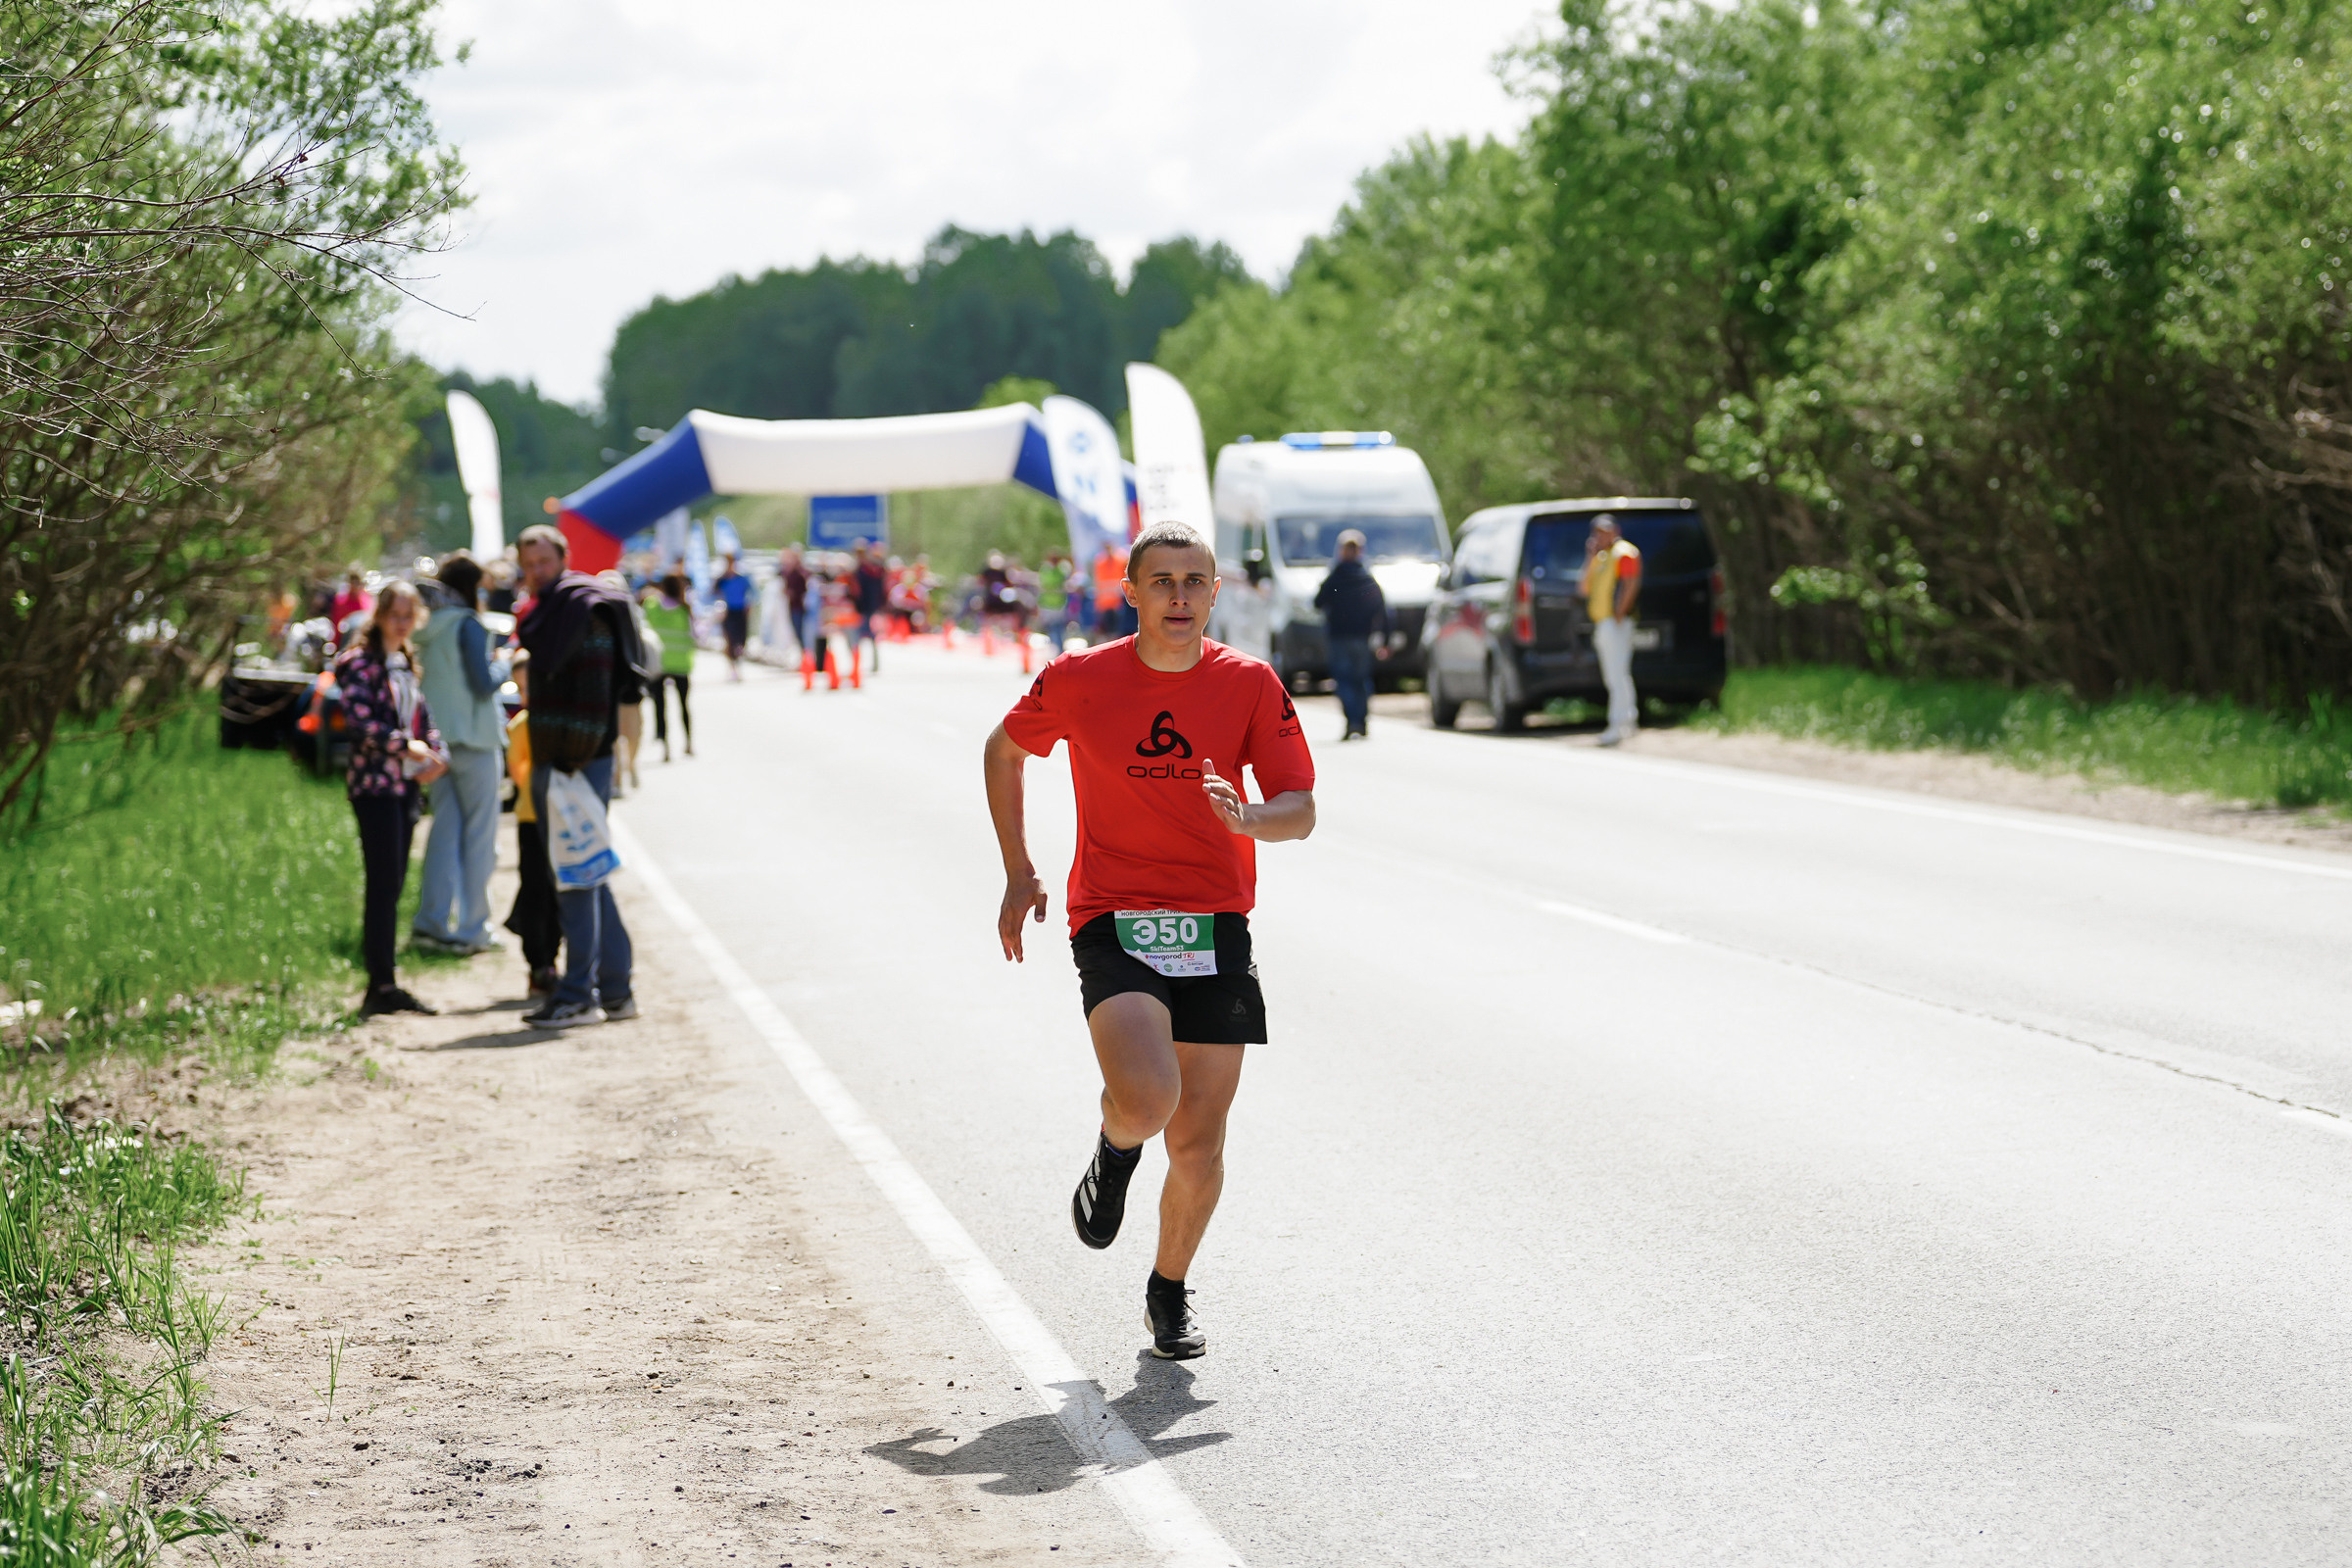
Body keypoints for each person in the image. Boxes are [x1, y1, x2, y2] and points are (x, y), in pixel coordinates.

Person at [983, 522, 1317, 1361]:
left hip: (1215, 923)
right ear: (1129, 592)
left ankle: (1168, 1291)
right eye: (1160, 580)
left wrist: (1250, 819)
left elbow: (1299, 807)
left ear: (1214, 592)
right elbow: (1003, 749)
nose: (1178, 595)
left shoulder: (1249, 684)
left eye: (1193, 581)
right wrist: (1019, 870)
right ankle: (1115, 1145)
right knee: (1147, 1100)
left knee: (1200, 1143)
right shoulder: (1080, 677)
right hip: (1114, 915)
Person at [515, 523, 644, 1028]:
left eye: (543, 562)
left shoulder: (581, 611)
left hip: (574, 763)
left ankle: (577, 996)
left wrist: (568, 764)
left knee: (575, 878)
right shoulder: (553, 611)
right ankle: (615, 990)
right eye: (528, 565)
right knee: (589, 874)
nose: (535, 573)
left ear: (562, 559)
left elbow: (595, 696)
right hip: (562, 762)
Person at [334, 580, 447, 1017]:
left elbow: (423, 716)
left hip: (405, 787)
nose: (401, 623)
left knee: (396, 882)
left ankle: (386, 979)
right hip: (375, 788)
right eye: (394, 615)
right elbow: (360, 724)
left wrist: (437, 752)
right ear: (379, 616)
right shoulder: (359, 663)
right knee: (382, 885)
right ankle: (380, 983)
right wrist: (406, 746)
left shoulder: (405, 660)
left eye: (408, 616)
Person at [411, 553, 511, 956]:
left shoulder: (427, 627)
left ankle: (431, 922)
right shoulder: (468, 625)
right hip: (476, 740)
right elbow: (484, 684)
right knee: (480, 837)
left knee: (444, 833)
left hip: (440, 745)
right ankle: (473, 927)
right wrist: (504, 665)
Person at [503, 657, 562, 997]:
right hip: (530, 818)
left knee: (555, 895)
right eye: (520, 688)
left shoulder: (554, 722)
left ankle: (550, 960)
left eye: (532, 687)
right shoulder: (521, 726)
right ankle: (538, 965)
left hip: (557, 818)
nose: (527, 695)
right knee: (536, 891)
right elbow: (518, 772)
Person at [1313, 529, 1391, 742]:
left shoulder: (1335, 577)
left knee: (1345, 681)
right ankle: (1361, 721)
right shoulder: (1366, 578)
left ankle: (1352, 722)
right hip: (1361, 638)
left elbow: (1317, 603)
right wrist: (1385, 637)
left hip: (1339, 637)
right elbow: (1382, 609)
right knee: (1360, 680)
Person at [1580, 514, 1643, 745]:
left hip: (1615, 622)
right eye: (1596, 532)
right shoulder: (1601, 557)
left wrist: (1619, 614)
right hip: (1603, 622)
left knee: (1617, 674)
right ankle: (1626, 720)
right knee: (1614, 674)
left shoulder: (1624, 552)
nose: (1600, 536)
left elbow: (1630, 583)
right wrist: (1590, 557)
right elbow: (1583, 588)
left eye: (1604, 531)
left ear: (1614, 530)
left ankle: (1619, 724)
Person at [598, 568, 653, 793]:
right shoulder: (596, 615)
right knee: (614, 736)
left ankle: (631, 765)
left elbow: (640, 650)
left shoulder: (634, 614)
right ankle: (618, 777)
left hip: (630, 686)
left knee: (633, 733)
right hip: (608, 687)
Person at [640, 572, 696, 759]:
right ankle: (688, 742)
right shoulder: (685, 609)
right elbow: (694, 635)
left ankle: (665, 747)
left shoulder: (651, 605)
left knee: (660, 706)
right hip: (681, 664)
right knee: (683, 705)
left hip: (658, 664)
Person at [851, 541, 889, 673]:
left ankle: (872, 663)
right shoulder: (858, 569)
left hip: (870, 607)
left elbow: (877, 588)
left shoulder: (871, 569)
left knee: (871, 636)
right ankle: (857, 664)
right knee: (857, 637)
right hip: (859, 607)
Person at [713, 552, 752, 680]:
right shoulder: (722, 580)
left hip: (740, 612)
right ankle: (732, 668)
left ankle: (738, 663)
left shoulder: (742, 579)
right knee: (729, 640)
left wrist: (749, 605)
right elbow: (713, 594)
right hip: (728, 612)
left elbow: (752, 593)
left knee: (740, 640)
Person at [1038, 549, 1075, 653]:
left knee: (1059, 628)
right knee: (1051, 629)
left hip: (1059, 605)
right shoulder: (1046, 570)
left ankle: (1059, 650)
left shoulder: (1061, 570)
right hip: (1048, 605)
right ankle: (1056, 649)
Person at [328, 567, 372, 651]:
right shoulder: (341, 601)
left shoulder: (368, 600)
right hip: (345, 642)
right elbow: (336, 625)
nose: (356, 586)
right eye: (353, 582)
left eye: (358, 583)